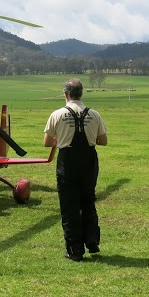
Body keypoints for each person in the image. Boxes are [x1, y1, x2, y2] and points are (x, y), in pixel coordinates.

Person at [43, 78, 108, 261]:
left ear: (66, 94)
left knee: (69, 205)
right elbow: (103, 141)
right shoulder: (94, 114)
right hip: (88, 160)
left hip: (68, 161)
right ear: (81, 93)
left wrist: (61, 139)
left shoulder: (57, 114)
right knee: (88, 200)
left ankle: (75, 250)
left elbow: (47, 142)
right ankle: (92, 240)